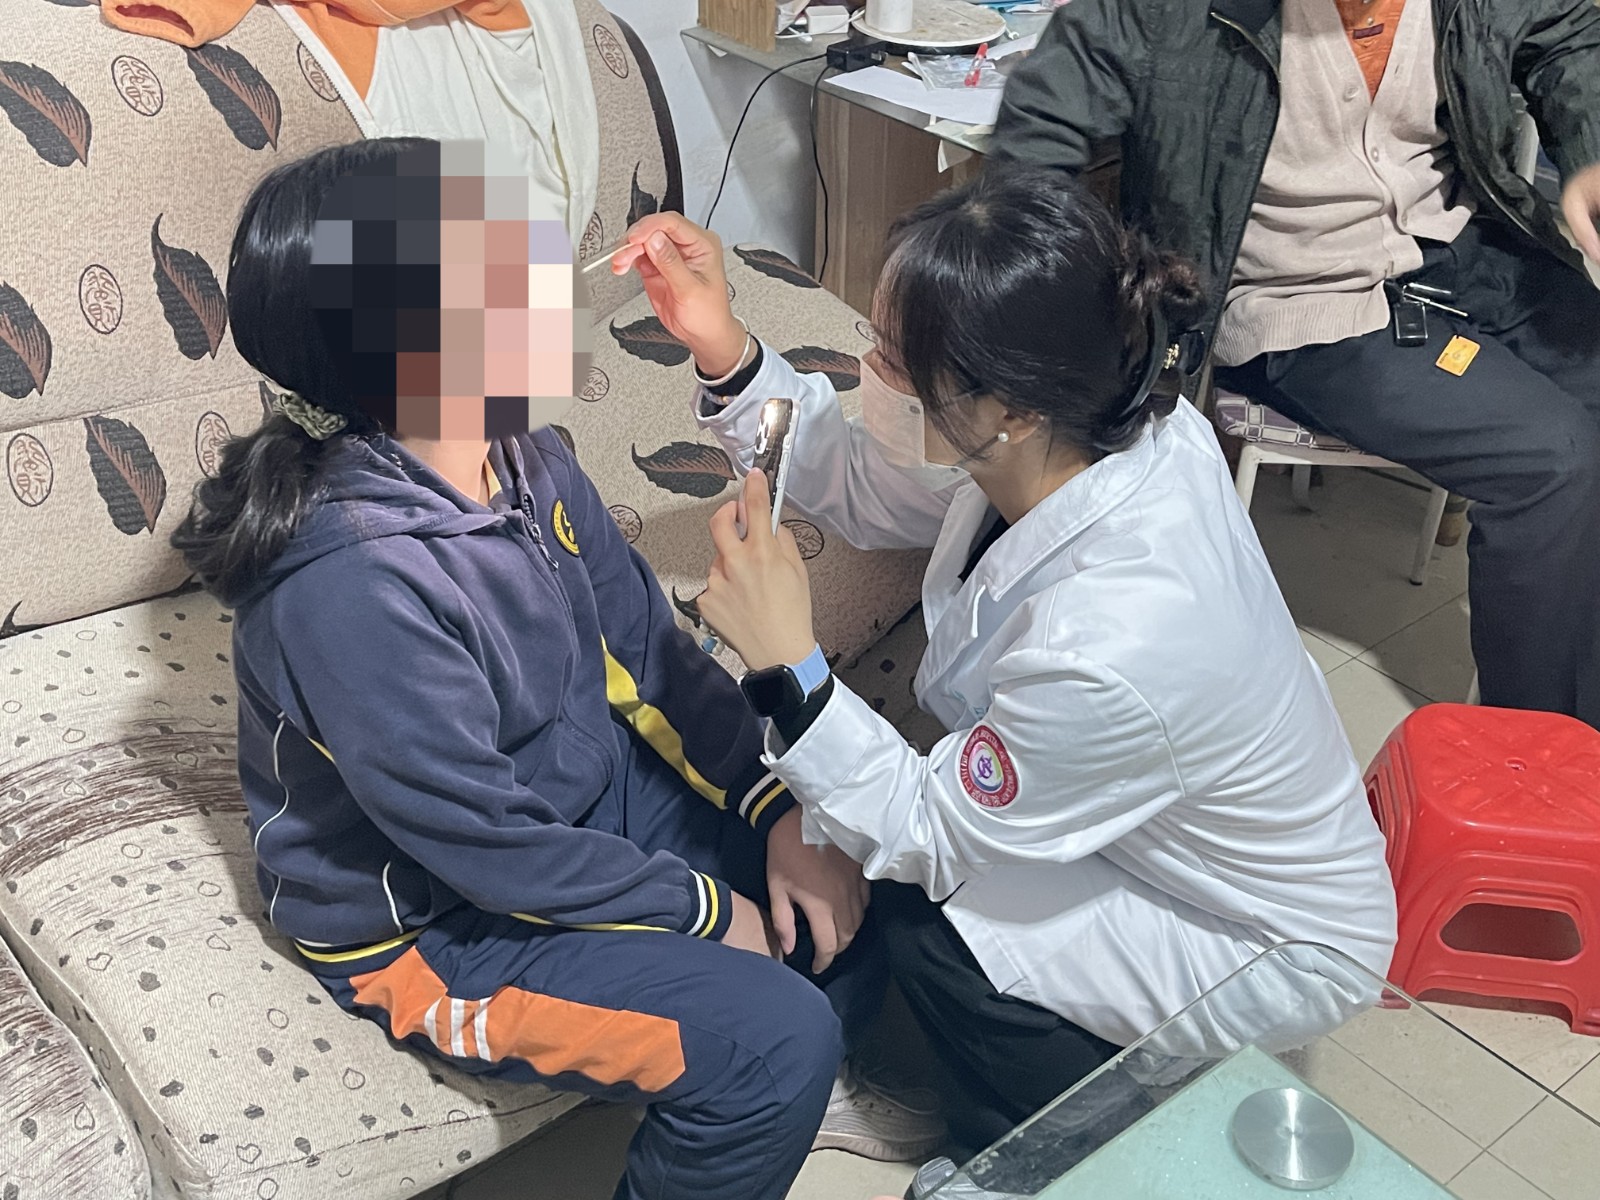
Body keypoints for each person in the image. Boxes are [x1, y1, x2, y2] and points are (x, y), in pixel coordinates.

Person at [171, 136, 943, 1200]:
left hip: (585, 805)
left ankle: (770, 1070)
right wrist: (709, 914)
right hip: (439, 921)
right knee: (776, 1042)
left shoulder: (525, 454)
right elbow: (486, 848)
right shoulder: (350, 586)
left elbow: (650, 658)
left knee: (846, 871)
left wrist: (776, 812)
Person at [611, 169, 1399, 1181]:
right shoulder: (1077, 431)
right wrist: (721, 344)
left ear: (1007, 406)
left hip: (1257, 936)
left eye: (894, 360)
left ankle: (1041, 1142)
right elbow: (869, 483)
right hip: (1160, 820)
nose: (868, 370)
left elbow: (929, 832)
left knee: (927, 910)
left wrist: (789, 666)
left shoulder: (1117, 636)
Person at [990, 0, 1600, 728]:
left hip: (1461, 246)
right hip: (1296, 294)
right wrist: (1056, 299)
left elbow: (1568, 32)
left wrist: (1591, 147)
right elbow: (1042, 125)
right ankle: (1543, 760)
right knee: (1551, 460)